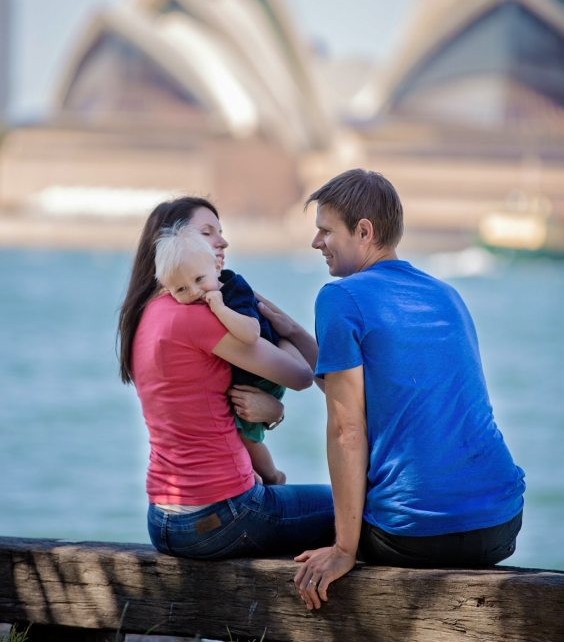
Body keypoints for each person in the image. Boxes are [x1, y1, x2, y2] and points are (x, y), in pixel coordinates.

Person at [293, 169, 526, 610]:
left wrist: (344, 551)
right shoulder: (446, 294)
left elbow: (348, 427)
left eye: (325, 230)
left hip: (414, 537)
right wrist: (292, 332)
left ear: (364, 232)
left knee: (279, 518)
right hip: (500, 525)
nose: (316, 242)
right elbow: (392, 392)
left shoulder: (340, 297)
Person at [117, 196, 334, 559]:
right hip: (221, 514)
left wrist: (272, 412)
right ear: (170, 245)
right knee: (361, 505)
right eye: (206, 232)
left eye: (220, 232)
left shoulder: (148, 313)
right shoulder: (198, 317)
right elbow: (300, 375)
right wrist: (286, 329)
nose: (221, 242)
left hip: (164, 519)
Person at [153, 222, 286, 485]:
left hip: (260, 377)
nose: (194, 292)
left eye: (199, 280)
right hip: (240, 373)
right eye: (181, 289)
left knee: (246, 436)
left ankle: (273, 477)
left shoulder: (234, 290)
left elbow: (250, 334)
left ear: (216, 267)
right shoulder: (193, 296)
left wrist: (221, 309)